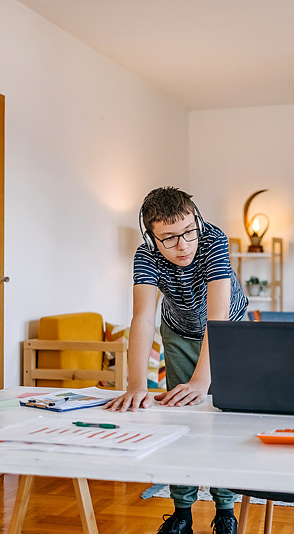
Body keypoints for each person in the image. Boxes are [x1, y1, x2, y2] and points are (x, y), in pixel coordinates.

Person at [104, 186, 248, 534]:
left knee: (223, 417)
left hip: (228, 326)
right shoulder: (145, 256)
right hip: (178, 331)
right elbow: (142, 318)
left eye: (188, 232)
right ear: (152, 239)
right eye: (169, 238)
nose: (183, 245)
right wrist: (137, 384)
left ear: (196, 221)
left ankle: (225, 510)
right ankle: (182, 512)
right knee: (181, 416)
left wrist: (202, 381)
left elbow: (218, 318)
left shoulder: (214, 241)